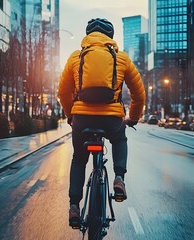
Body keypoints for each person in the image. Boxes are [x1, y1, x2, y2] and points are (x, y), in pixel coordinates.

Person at [58, 18, 146, 228]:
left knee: (79, 159)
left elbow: (62, 92)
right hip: (111, 119)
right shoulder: (122, 58)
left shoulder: (75, 58)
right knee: (119, 138)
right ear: (110, 37)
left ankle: (73, 206)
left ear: (88, 35)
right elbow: (139, 94)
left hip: (81, 119)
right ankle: (119, 179)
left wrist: (71, 115)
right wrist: (132, 117)